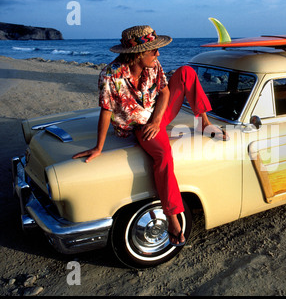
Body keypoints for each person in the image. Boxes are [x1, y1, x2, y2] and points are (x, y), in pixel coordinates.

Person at [73, 25, 226, 246]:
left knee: (186, 72)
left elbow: (164, 92)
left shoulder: (154, 66)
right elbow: (106, 110)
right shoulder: (110, 75)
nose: (158, 54)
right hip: (139, 127)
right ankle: (172, 217)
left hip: (157, 117)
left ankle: (205, 122)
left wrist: (157, 120)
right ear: (138, 54)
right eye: (153, 50)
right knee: (164, 157)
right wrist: (99, 147)